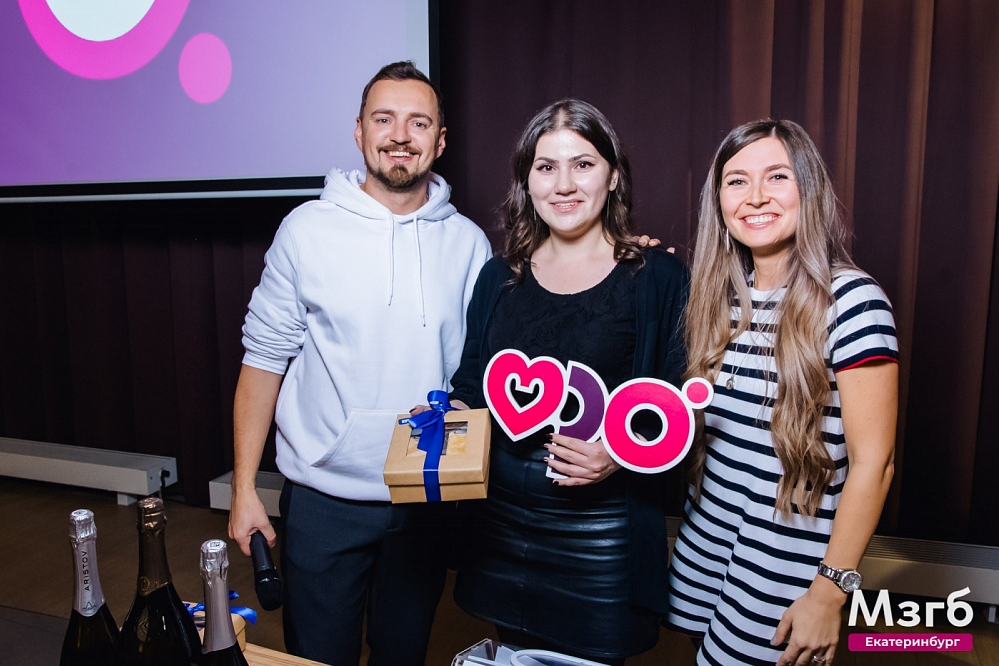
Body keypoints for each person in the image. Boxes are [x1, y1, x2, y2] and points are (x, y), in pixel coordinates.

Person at [227, 61, 492, 666]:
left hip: (424, 501)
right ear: (358, 131)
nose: (400, 135)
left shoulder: (470, 244)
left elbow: (481, 372)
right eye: (384, 119)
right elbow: (263, 362)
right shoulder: (306, 230)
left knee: (404, 655)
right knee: (318, 659)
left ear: (439, 141)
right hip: (323, 500)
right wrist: (243, 490)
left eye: (418, 122)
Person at [446, 99, 689, 665]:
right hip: (501, 522)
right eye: (546, 167)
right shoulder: (497, 276)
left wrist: (619, 453)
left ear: (613, 175)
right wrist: (442, 422)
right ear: (526, 181)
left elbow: (679, 398)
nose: (563, 184)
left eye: (582, 164)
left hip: (604, 533)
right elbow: (472, 380)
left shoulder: (658, 277)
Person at [666, 119, 898, 665]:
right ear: (719, 201)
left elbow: (876, 463)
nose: (756, 197)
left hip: (785, 567)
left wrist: (830, 591)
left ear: (808, 189)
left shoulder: (852, 301)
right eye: (737, 181)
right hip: (708, 543)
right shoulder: (718, 299)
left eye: (777, 176)